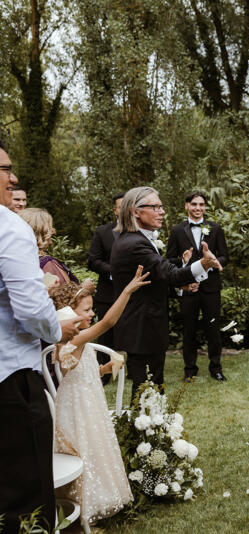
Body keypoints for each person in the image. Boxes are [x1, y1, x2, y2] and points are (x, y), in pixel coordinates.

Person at [0, 140, 84, 534]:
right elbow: (32, 309)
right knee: (24, 499)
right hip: (11, 383)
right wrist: (57, 328)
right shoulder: (9, 227)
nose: (13, 177)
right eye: (4, 169)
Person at [50, 267, 149, 525]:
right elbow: (108, 323)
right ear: (70, 314)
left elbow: (83, 371)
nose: (92, 314)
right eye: (87, 310)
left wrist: (106, 368)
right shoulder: (75, 339)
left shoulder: (77, 341)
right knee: (86, 451)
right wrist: (127, 290)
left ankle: (95, 501)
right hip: (78, 409)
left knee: (96, 450)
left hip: (87, 402)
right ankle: (85, 507)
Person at [110, 186, 221, 402]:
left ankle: (152, 432)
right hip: (142, 326)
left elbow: (154, 280)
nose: (162, 212)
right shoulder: (134, 243)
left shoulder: (135, 239)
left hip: (147, 325)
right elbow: (170, 274)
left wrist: (182, 287)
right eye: (155, 207)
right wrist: (204, 264)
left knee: (152, 390)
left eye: (161, 207)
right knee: (146, 393)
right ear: (135, 211)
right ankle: (145, 433)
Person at [166, 191, 230, 382]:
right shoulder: (177, 230)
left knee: (213, 329)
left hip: (210, 287)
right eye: (194, 204)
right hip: (188, 287)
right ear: (187, 206)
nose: (198, 208)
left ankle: (216, 368)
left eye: (201, 205)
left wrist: (212, 262)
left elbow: (225, 256)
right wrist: (183, 261)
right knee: (189, 330)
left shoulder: (215, 228)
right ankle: (189, 369)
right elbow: (169, 260)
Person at [88, 193, 124, 350]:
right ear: (115, 210)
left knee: (134, 336)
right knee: (106, 338)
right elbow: (93, 261)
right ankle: (104, 373)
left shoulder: (142, 232)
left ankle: (135, 373)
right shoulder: (102, 232)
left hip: (134, 297)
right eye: (121, 207)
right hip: (108, 294)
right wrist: (113, 273)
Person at [19, 207, 79, 286]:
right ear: (40, 232)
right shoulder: (47, 264)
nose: (53, 231)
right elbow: (63, 296)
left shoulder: (14, 260)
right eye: (49, 227)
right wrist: (85, 288)